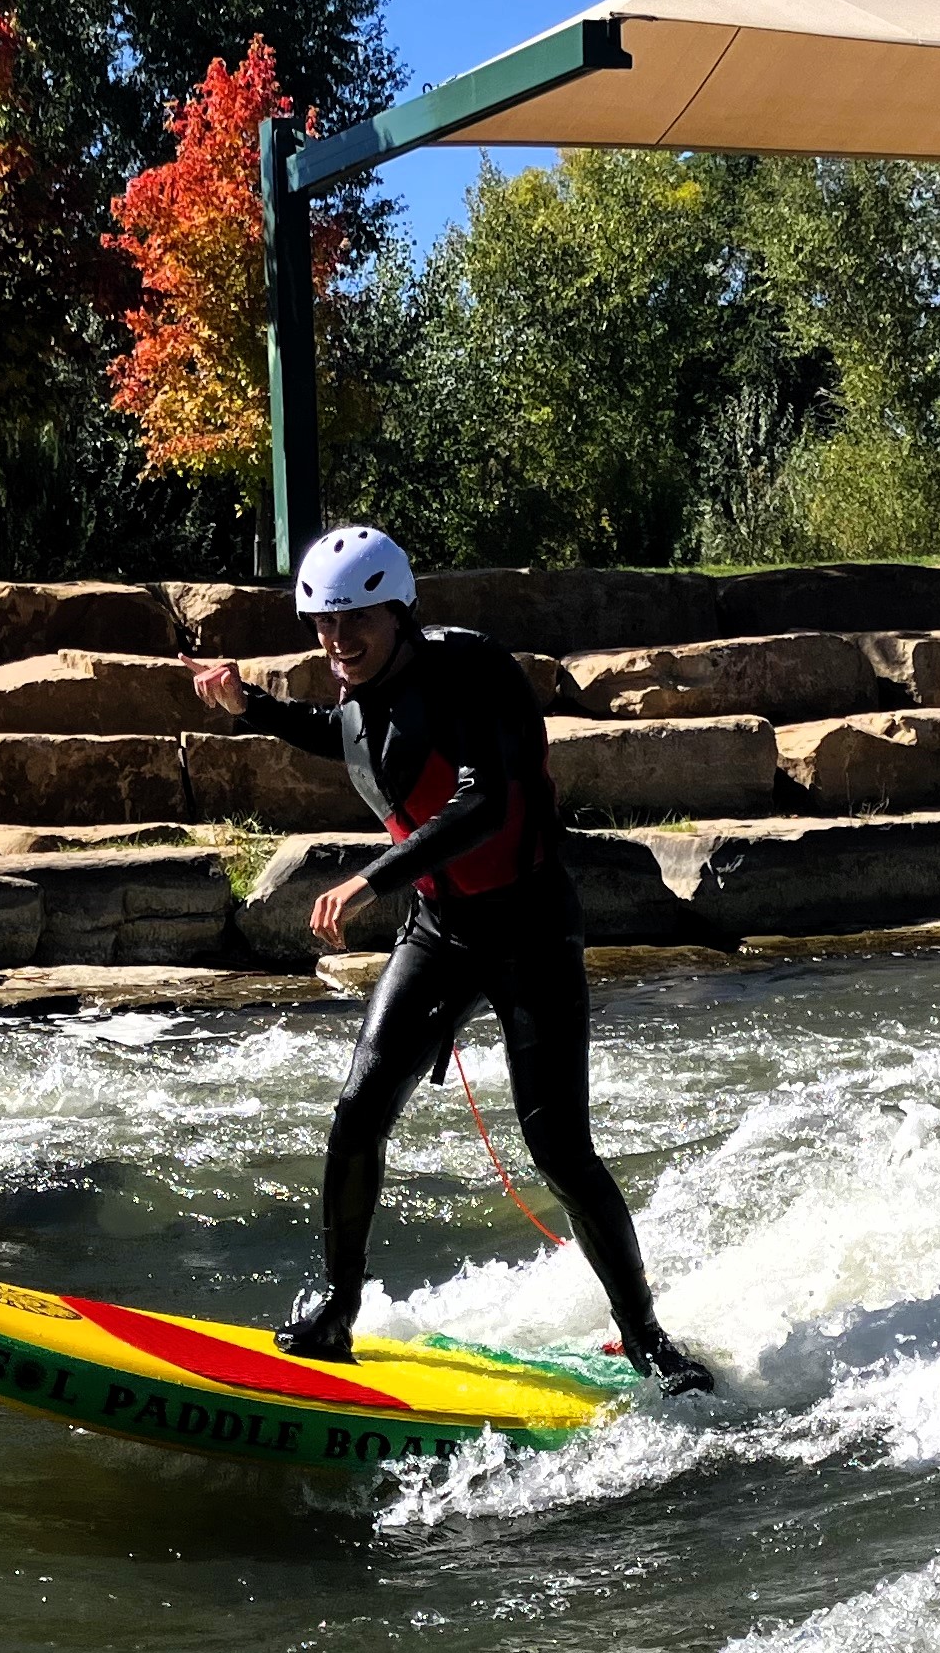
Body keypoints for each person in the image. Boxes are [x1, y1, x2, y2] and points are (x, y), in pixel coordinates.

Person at [183, 525, 713, 1393]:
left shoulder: (471, 674)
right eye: (323, 623)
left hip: (532, 927)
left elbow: (484, 804)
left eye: (355, 620)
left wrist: (368, 881)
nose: (336, 640)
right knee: (357, 1112)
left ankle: (648, 1336)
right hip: (442, 929)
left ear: (399, 610)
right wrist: (253, 709)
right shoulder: (357, 685)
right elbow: (347, 736)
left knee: (559, 1149)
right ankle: (337, 1312)